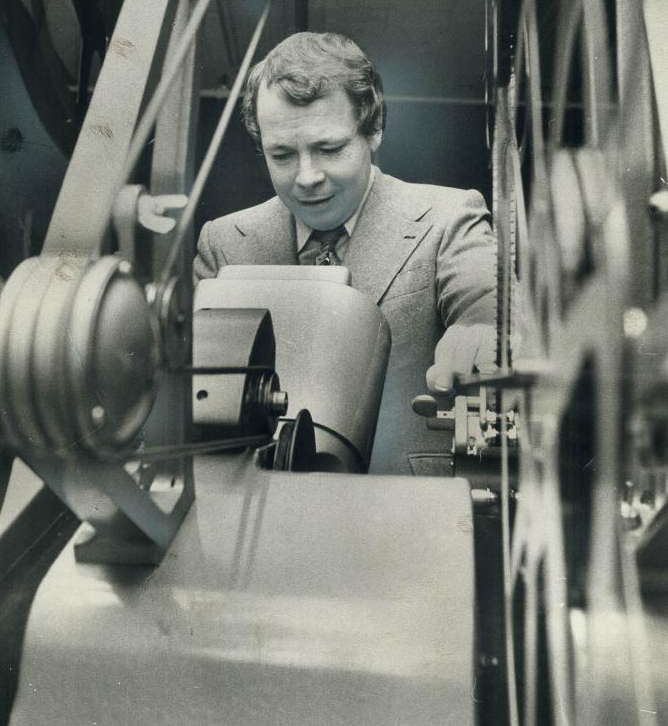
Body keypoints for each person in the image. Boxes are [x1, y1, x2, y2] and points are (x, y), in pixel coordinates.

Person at [194, 31, 496, 474]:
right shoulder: (222, 243)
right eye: (282, 155)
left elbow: (484, 302)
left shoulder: (450, 216)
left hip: (400, 512)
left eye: (328, 149)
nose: (307, 176)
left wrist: (479, 330)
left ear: (373, 130)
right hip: (256, 517)